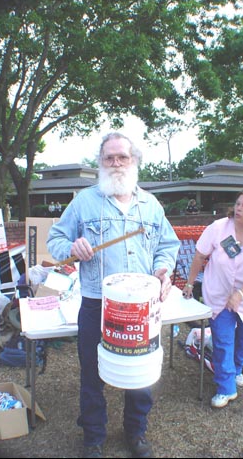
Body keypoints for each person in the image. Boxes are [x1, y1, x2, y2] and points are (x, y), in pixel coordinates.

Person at [46, 132, 180, 458]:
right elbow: (55, 242)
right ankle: (93, 438)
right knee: (92, 374)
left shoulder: (151, 205)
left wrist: (163, 270)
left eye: (123, 156)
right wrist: (72, 248)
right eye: (109, 157)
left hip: (141, 306)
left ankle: (136, 432)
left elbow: (167, 246)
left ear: (134, 161)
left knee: (141, 372)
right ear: (100, 163)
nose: (116, 163)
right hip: (96, 304)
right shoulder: (84, 202)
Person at [182, 188, 243, 409]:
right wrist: (189, 282)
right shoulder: (218, 228)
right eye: (238, 204)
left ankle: (236, 368)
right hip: (219, 296)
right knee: (223, 341)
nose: (239, 209)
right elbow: (199, 255)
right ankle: (226, 388)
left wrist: (241, 294)